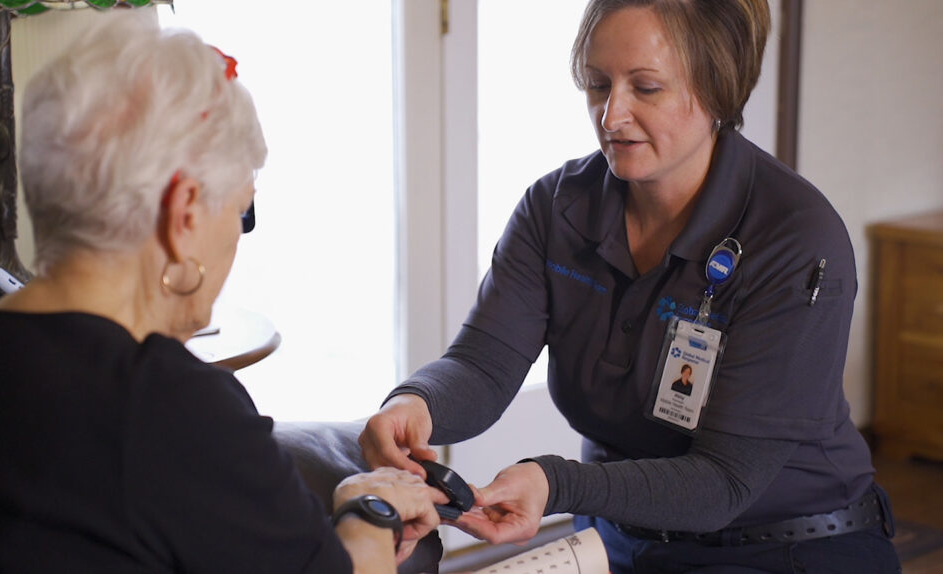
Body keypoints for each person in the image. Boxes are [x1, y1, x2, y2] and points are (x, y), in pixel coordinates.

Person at [359, 0, 902, 572]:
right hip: (618, 541)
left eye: (646, 88)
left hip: (787, 546)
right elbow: (484, 364)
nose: (611, 115)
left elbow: (724, 481)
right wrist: (415, 403)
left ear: (717, 89)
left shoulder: (795, 238)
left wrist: (556, 482)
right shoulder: (556, 208)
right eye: (597, 84)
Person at [0, 13, 447, 574]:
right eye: (241, 209)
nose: (238, 237)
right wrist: (368, 510)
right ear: (184, 212)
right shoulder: (173, 410)